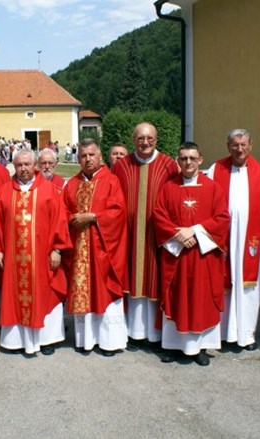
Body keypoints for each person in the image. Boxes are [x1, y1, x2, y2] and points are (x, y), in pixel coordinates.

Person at [153, 142, 230, 366]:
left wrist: (194, 231)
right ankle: (174, 346)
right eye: (183, 158)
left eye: (192, 158)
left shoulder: (213, 187)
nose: (188, 162)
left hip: (202, 256)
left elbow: (222, 218)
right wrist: (178, 235)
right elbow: (159, 216)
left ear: (200, 160)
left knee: (201, 299)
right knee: (176, 297)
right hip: (176, 254)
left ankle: (200, 347)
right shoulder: (168, 187)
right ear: (178, 160)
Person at [0, 149, 71, 355]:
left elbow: (60, 221)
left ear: (35, 165)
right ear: (14, 166)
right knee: (15, 295)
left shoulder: (49, 190)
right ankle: (15, 341)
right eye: (19, 165)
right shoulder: (5, 191)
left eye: (27, 164)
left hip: (43, 257)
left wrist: (57, 250)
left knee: (46, 291)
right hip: (14, 259)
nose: (23, 169)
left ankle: (47, 339)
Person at [207, 129, 260, 351]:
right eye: (235, 145)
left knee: (250, 288)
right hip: (224, 240)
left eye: (243, 144)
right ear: (227, 146)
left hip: (252, 243)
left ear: (251, 145)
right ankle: (220, 333)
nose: (239, 149)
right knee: (223, 284)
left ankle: (246, 335)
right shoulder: (215, 169)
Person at [111, 122, 179, 349]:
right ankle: (134, 332)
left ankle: (157, 335)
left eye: (150, 138)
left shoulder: (169, 165)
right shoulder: (121, 166)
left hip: (158, 237)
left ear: (156, 139)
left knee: (156, 281)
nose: (145, 142)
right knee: (131, 280)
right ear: (133, 140)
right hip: (128, 235)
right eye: (141, 138)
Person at [63, 139, 128, 356]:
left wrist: (92, 217)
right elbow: (62, 212)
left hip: (103, 251)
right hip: (80, 250)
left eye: (92, 155)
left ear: (100, 156)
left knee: (104, 293)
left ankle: (109, 342)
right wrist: (73, 218)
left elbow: (118, 212)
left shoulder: (111, 181)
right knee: (85, 291)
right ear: (78, 158)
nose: (88, 159)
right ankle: (86, 340)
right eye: (83, 156)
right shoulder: (71, 184)